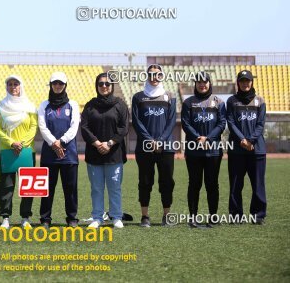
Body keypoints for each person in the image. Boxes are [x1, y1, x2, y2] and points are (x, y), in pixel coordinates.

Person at [81, 73, 129, 229]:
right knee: (96, 188)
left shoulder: (120, 104)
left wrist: (109, 143)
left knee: (114, 187)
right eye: (101, 84)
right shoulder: (90, 105)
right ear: (97, 86)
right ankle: (97, 217)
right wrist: (96, 143)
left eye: (107, 84)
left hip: (114, 154)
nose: (104, 87)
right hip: (94, 154)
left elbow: (124, 128)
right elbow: (84, 127)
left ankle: (116, 216)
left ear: (112, 86)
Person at [132, 64, 176, 227]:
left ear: (161, 76)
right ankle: (145, 216)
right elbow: (136, 122)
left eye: (158, 74)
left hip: (166, 148)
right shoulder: (138, 97)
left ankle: (167, 215)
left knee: (167, 181)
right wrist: (150, 141)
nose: (154, 77)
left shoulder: (170, 96)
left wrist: (161, 140)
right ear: (147, 76)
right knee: (144, 181)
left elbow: (171, 122)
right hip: (144, 147)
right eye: (151, 74)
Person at [181, 72, 226, 227]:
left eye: (205, 82)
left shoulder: (219, 102)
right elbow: (186, 124)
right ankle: (193, 218)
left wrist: (208, 138)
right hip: (194, 150)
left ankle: (213, 217)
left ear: (209, 83)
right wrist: (198, 138)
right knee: (194, 183)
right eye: (199, 82)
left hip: (213, 151)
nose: (202, 85)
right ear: (195, 84)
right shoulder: (188, 103)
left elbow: (221, 124)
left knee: (212, 184)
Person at [0, 75, 37, 229]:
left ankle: (25, 217)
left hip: (26, 151)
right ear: (6, 87)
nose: (13, 87)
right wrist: (12, 143)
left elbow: (33, 126)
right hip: (7, 151)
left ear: (21, 86)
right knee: (6, 186)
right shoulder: (0, 106)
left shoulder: (30, 106)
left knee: (28, 186)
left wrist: (22, 143)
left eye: (16, 84)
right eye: (10, 84)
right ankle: (5, 217)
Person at [38, 72, 80, 227]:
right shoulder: (44, 105)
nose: (57, 86)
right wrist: (54, 144)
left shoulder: (73, 104)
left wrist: (61, 142)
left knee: (70, 188)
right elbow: (42, 127)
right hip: (49, 154)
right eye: (55, 83)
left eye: (60, 84)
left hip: (69, 153)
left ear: (65, 85)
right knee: (47, 188)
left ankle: (71, 217)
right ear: (51, 85)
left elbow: (74, 126)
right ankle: (45, 218)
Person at [226, 70, 267, 225]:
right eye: (242, 80)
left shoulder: (260, 101)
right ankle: (236, 216)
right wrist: (242, 140)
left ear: (252, 82)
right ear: (238, 82)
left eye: (247, 80)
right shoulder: (231, 101)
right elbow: (231, 122)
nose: (245, 83)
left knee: (258, 184)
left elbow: (260, 124)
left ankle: (258, 215)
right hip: (237, 150)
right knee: (236, 184)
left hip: (257, 150)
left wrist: (250, 140)